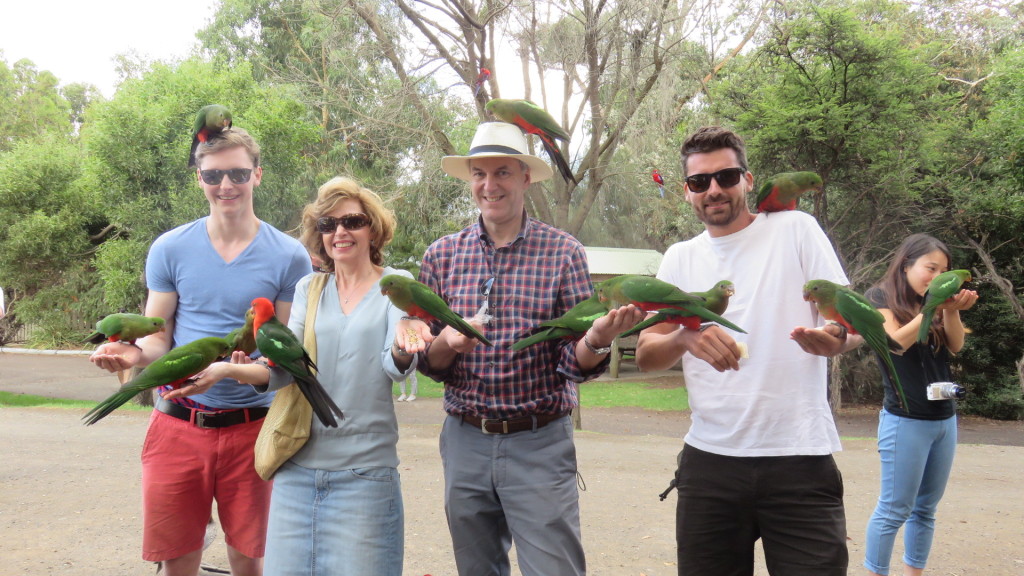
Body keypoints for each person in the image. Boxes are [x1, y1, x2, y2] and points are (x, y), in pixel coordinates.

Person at [398, 121, 644, 576]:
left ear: (525, 178)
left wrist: (597, 340)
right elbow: (430, 366)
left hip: (540, 440)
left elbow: (574, 362)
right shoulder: (441, 256)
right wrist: (448, 344)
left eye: (503, 173)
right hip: (465, 438)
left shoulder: (564, 253)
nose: (489, 185)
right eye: (479, 174)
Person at [635, 126, 859, 576]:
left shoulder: (796, 229)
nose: (714, 190)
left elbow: (848, 327)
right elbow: (645, 352)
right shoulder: (679, 258)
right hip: (710, 463)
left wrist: (835, 339)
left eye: (726, 177)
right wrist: (684, 338)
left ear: (748, 180)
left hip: (799, 457)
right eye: (700, 182)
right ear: (687, 193)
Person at [90, 127, 311, 576]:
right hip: (179, 423)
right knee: (177, 558)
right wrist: (132, 356)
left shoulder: (289, 256)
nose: (226, 185)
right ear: (199, 179)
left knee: (250, 556)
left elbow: (282, 351)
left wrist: (241, 369)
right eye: (213, 175)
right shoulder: (170, 247)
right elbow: (158, 338)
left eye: (237, 173)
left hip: (254, 428)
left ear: (257, 175)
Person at [224, 176, 418, 576]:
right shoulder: (309, 288)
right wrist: (236, 370)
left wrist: (404, 345)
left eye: (352, 221)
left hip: (364, 476)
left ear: (373, 229)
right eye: (328, 225)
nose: (340, 232)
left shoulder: (395, 284)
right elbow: (285, 371)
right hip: (297, 472)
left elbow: (395, 367)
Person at [862, 233, 978, 576]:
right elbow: (894, 342)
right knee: (894, 509)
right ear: (906, 264)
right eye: (930, 267)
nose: (936, 276)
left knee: (926, 509)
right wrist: (933, 307)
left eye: (943, 270)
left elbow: (956, 345)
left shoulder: (935, 300)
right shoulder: (878, 296)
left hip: (943, 420)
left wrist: (949, 309)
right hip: (905, 418)